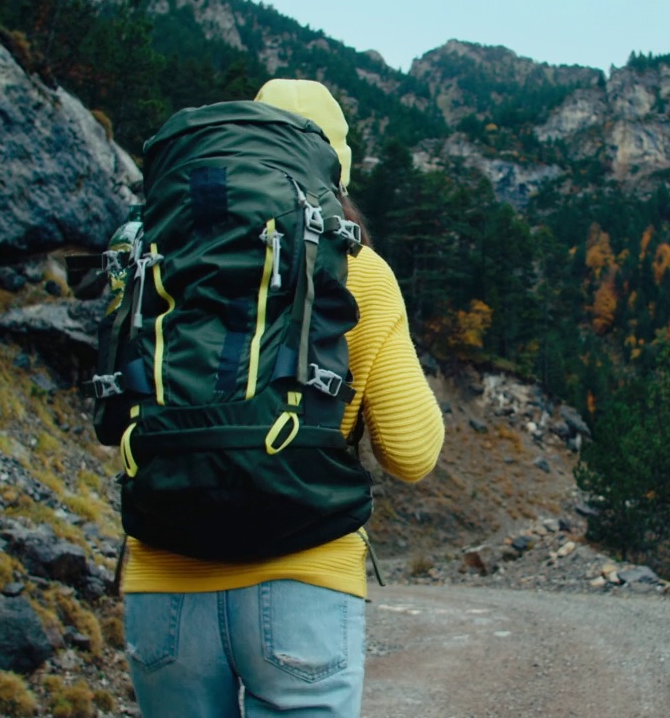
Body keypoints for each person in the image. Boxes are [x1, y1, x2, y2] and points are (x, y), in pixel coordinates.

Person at [120, 79, 445, 718]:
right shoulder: (362, 272)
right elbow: (412, 454)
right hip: (305, 571)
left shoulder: (155, 256)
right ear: (334, 169)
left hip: (162, 574)